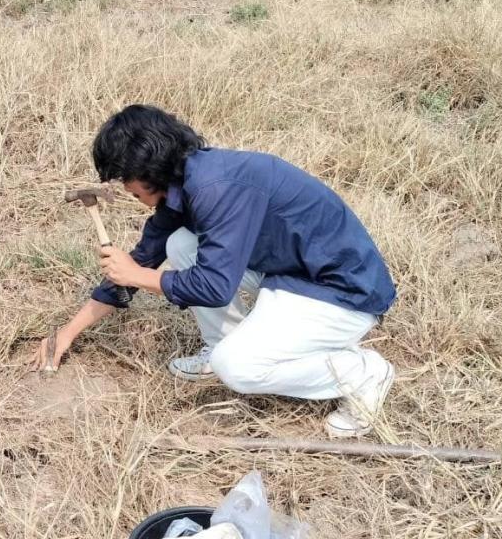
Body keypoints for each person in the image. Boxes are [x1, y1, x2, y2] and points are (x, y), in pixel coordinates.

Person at [32, 105, 397, 438]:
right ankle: (221, 343)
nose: (123, 188)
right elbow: (142, 260)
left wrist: (136, 276)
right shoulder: (185, 184)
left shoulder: (217, 188)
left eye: (124, 177)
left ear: (147, 168)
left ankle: (362, 374)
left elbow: (213, 287)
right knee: (179, 245)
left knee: (236, 368)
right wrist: (67, 332)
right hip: (290, 275)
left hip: (344, 294)